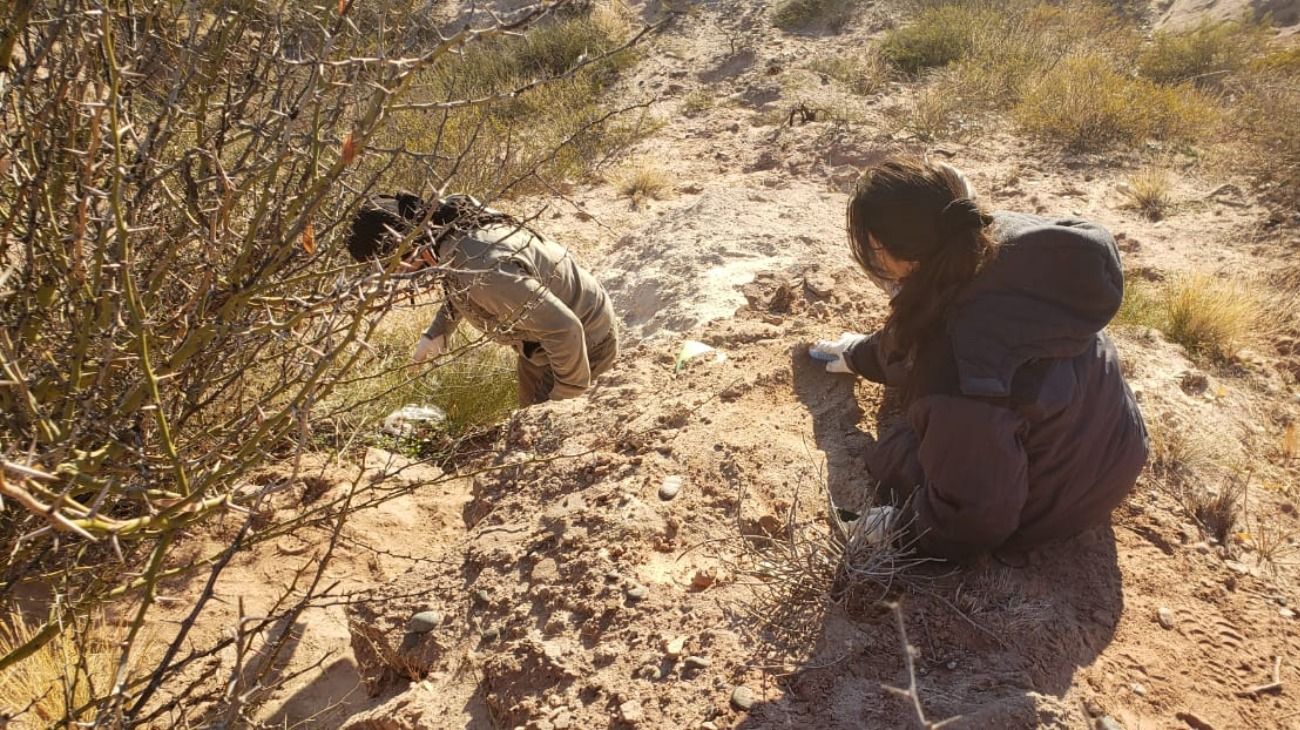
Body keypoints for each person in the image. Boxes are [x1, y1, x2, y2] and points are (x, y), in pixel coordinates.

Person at [810, 158, 1148, 561]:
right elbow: (919, 331)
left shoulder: (954, 371)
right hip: (1116, 447)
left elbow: (975, 521)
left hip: (1055, 504)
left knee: (897, 449)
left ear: (899, 258)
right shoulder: (1003, 244)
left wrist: (900, 530)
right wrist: (857, 355)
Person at [346, 193, 618, 406]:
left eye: (391, 266)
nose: (396, 275)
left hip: (584, 341)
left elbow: (565, 330)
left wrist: (560, 406)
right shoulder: (448, 222)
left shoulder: (482, 266)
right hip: (542, 340)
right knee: (527, 421)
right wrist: (438, 332)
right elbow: (465, 286)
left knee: (544, 444)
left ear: (406, 248)